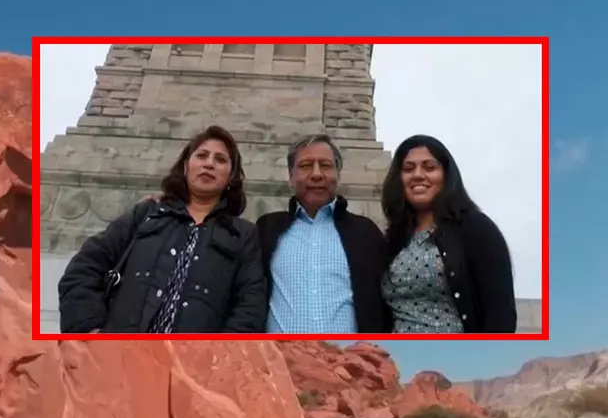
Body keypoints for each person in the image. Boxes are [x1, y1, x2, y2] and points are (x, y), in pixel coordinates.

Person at [58, 125, 267, 334]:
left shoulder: (243, 235)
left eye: (220, 159)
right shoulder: (147, 214)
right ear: (186, 166)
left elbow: (250, 306)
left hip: (191, 362)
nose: (209, 164)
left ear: (231, 177)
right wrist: (89, 330)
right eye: (202, 155)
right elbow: (84, 267)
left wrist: (220, 358)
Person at [380, 135, 516, 333]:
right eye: (408, 168)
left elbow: (500, 312)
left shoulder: (476, 228)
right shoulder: (394, 239)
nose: (418, 175)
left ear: (446, 175)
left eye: (429, 167)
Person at [256, 134, 390, 334]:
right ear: (290, 177)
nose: (317, 174)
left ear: (338, 175)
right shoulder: (266, 229)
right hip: (281, 358)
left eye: (326, 165)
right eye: (306, 165)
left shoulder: (366, 233)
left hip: (346, 358)